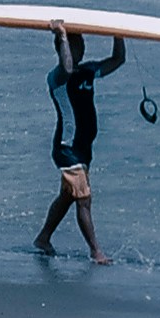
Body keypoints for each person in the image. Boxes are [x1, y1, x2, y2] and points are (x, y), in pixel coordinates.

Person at [31, 25, 127, 260]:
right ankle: (96, 251)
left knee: (68, 197)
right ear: (63, 49)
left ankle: (43, 238)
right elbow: (66, 67)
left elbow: (118, 60)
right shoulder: (57, 78)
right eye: (77, 45)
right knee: (84, 198)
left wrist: (118, 33)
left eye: (83, 44)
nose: (82, 48)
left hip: (84, 149)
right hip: (67, 148)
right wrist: (62, 35)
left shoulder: (87, 71)